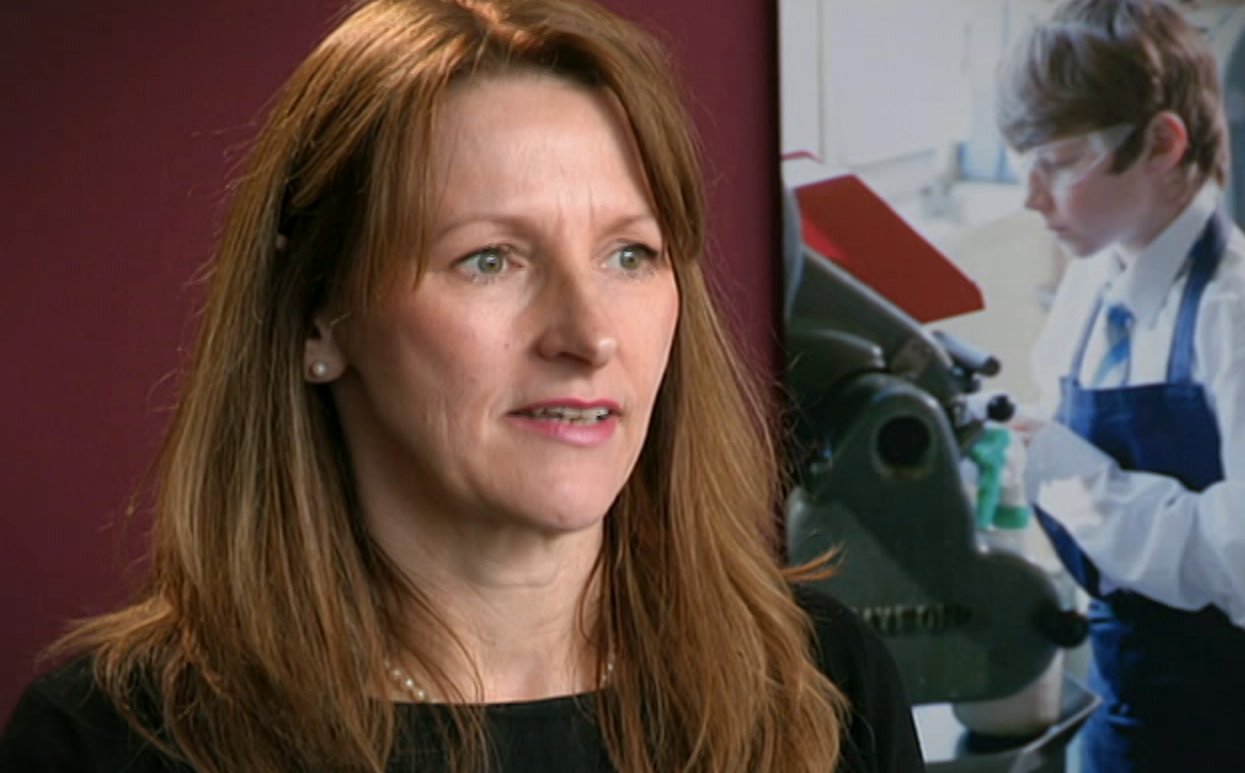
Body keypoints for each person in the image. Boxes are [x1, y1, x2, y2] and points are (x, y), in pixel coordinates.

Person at [0, 1, 925, 771]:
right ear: (319, 316)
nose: (590, 335)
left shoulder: (823, 686)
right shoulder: (108, 743)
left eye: (629, 254)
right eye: (490, 258)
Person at [994, 0, 1245, 770]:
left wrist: (1080, 485)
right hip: (1127, 695)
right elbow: (1063, 434)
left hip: (1243, 725)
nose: (1032, 195)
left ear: (1164, 144)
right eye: (1021, 162)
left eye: (1058, 162)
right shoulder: (1094, 282)